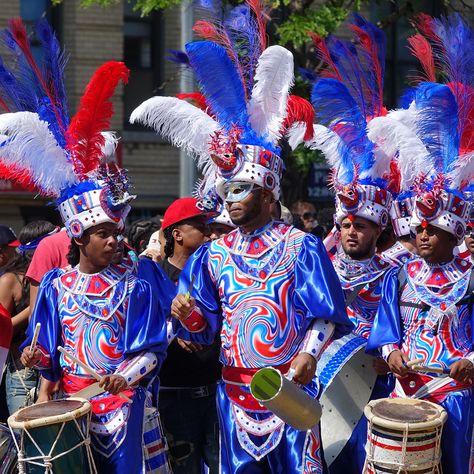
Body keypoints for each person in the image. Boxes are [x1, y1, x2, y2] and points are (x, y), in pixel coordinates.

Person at [130, 6, 351, 471]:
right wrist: (186, 316)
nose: (228, 200)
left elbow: (327, 316)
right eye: (224, 190)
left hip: (289, 393)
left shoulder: (301, 246)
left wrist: (309, 355)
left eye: (239, 189)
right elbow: (204, 329)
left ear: (268, 191)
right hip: (233, 398)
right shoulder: (212, 254)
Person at [0, 19, 169, 472]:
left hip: (122, 408)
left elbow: (153, 349)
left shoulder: (135, 286)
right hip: (70, 413)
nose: (115, 240)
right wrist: (38, 359)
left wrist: (123, 377)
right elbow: (46, 352)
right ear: (79, 239)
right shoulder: (56, 284)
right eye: (104, 235)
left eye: (116, 232)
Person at [367, 14, 474, 472]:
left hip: (456, 395)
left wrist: (470, 360)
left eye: (433, 231)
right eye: (419, 229)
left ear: (454, 233)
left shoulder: (471, 275)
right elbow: (385, 329)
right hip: (404, 395)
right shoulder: (401, 274)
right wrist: (391, 353)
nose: (423, 236)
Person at [307, 16, 397, 472]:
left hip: (377, 391)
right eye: (345, 224)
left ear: (379, 230)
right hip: (323, 387)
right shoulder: (318, 266)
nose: (350, 232)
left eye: (361, 226)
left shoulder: (394, 275)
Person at [140, 197, 220, 474]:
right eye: (199, 226)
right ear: (177, 234)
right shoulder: (152, 276)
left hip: (216, 392)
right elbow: (143, 330)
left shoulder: (217, 273)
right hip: (173, 398)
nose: (209, 233)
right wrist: (173, 329)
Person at [0, 221, 57, 415]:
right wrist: (33, 308)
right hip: (22, 371)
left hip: (55, 371)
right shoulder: (10, 280)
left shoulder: (61, 276)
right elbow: (3, 327)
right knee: (22, 436)